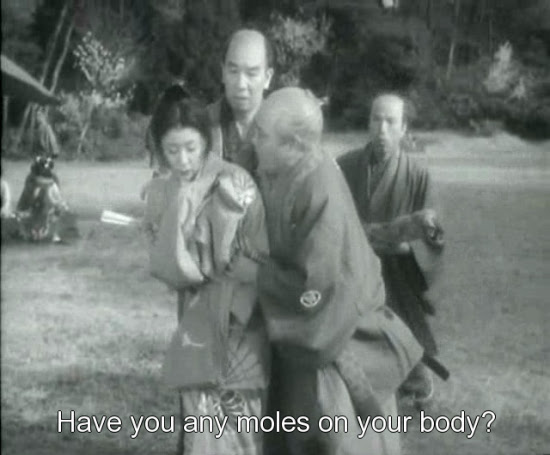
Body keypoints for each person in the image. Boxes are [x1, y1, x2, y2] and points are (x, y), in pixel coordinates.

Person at [249, 87, 423, 455]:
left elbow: (318, 288)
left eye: (261, 135)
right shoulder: (288, 168)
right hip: (311, 335)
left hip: (333, 336)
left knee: (334, 440)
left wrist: (257, 273)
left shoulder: (319, 186)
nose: (253, 141)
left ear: (293, 144)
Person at [142, 87, 270, 455]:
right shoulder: (162, 190)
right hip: (194, 312)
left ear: (206, 142)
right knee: (199, 413)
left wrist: (233, 308)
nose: (182, 160)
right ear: (159, 147)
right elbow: (165, 262)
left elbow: (259, 253)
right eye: (172, 150)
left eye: (191, 148)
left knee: (239, 411)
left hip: (240, 314)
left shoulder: (236, 182)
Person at [337, 93, 445, 406]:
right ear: (368, 123)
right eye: (376, 119)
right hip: (356, 264)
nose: (382, 129)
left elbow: (434, 234)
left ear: (404, 128)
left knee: (400, 326)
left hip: (398, 269)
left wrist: (417, 236)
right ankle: (365, 383)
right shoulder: (345, 165)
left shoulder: (417, 174)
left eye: (390, 122)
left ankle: (416, 380)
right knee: (355, 327)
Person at [208, 28, 274, 176]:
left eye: (251, 73)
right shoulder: (200, 125)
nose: (241, 84)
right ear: (223, 72)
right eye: (233, 71)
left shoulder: (283, 130)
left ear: (268, 78)